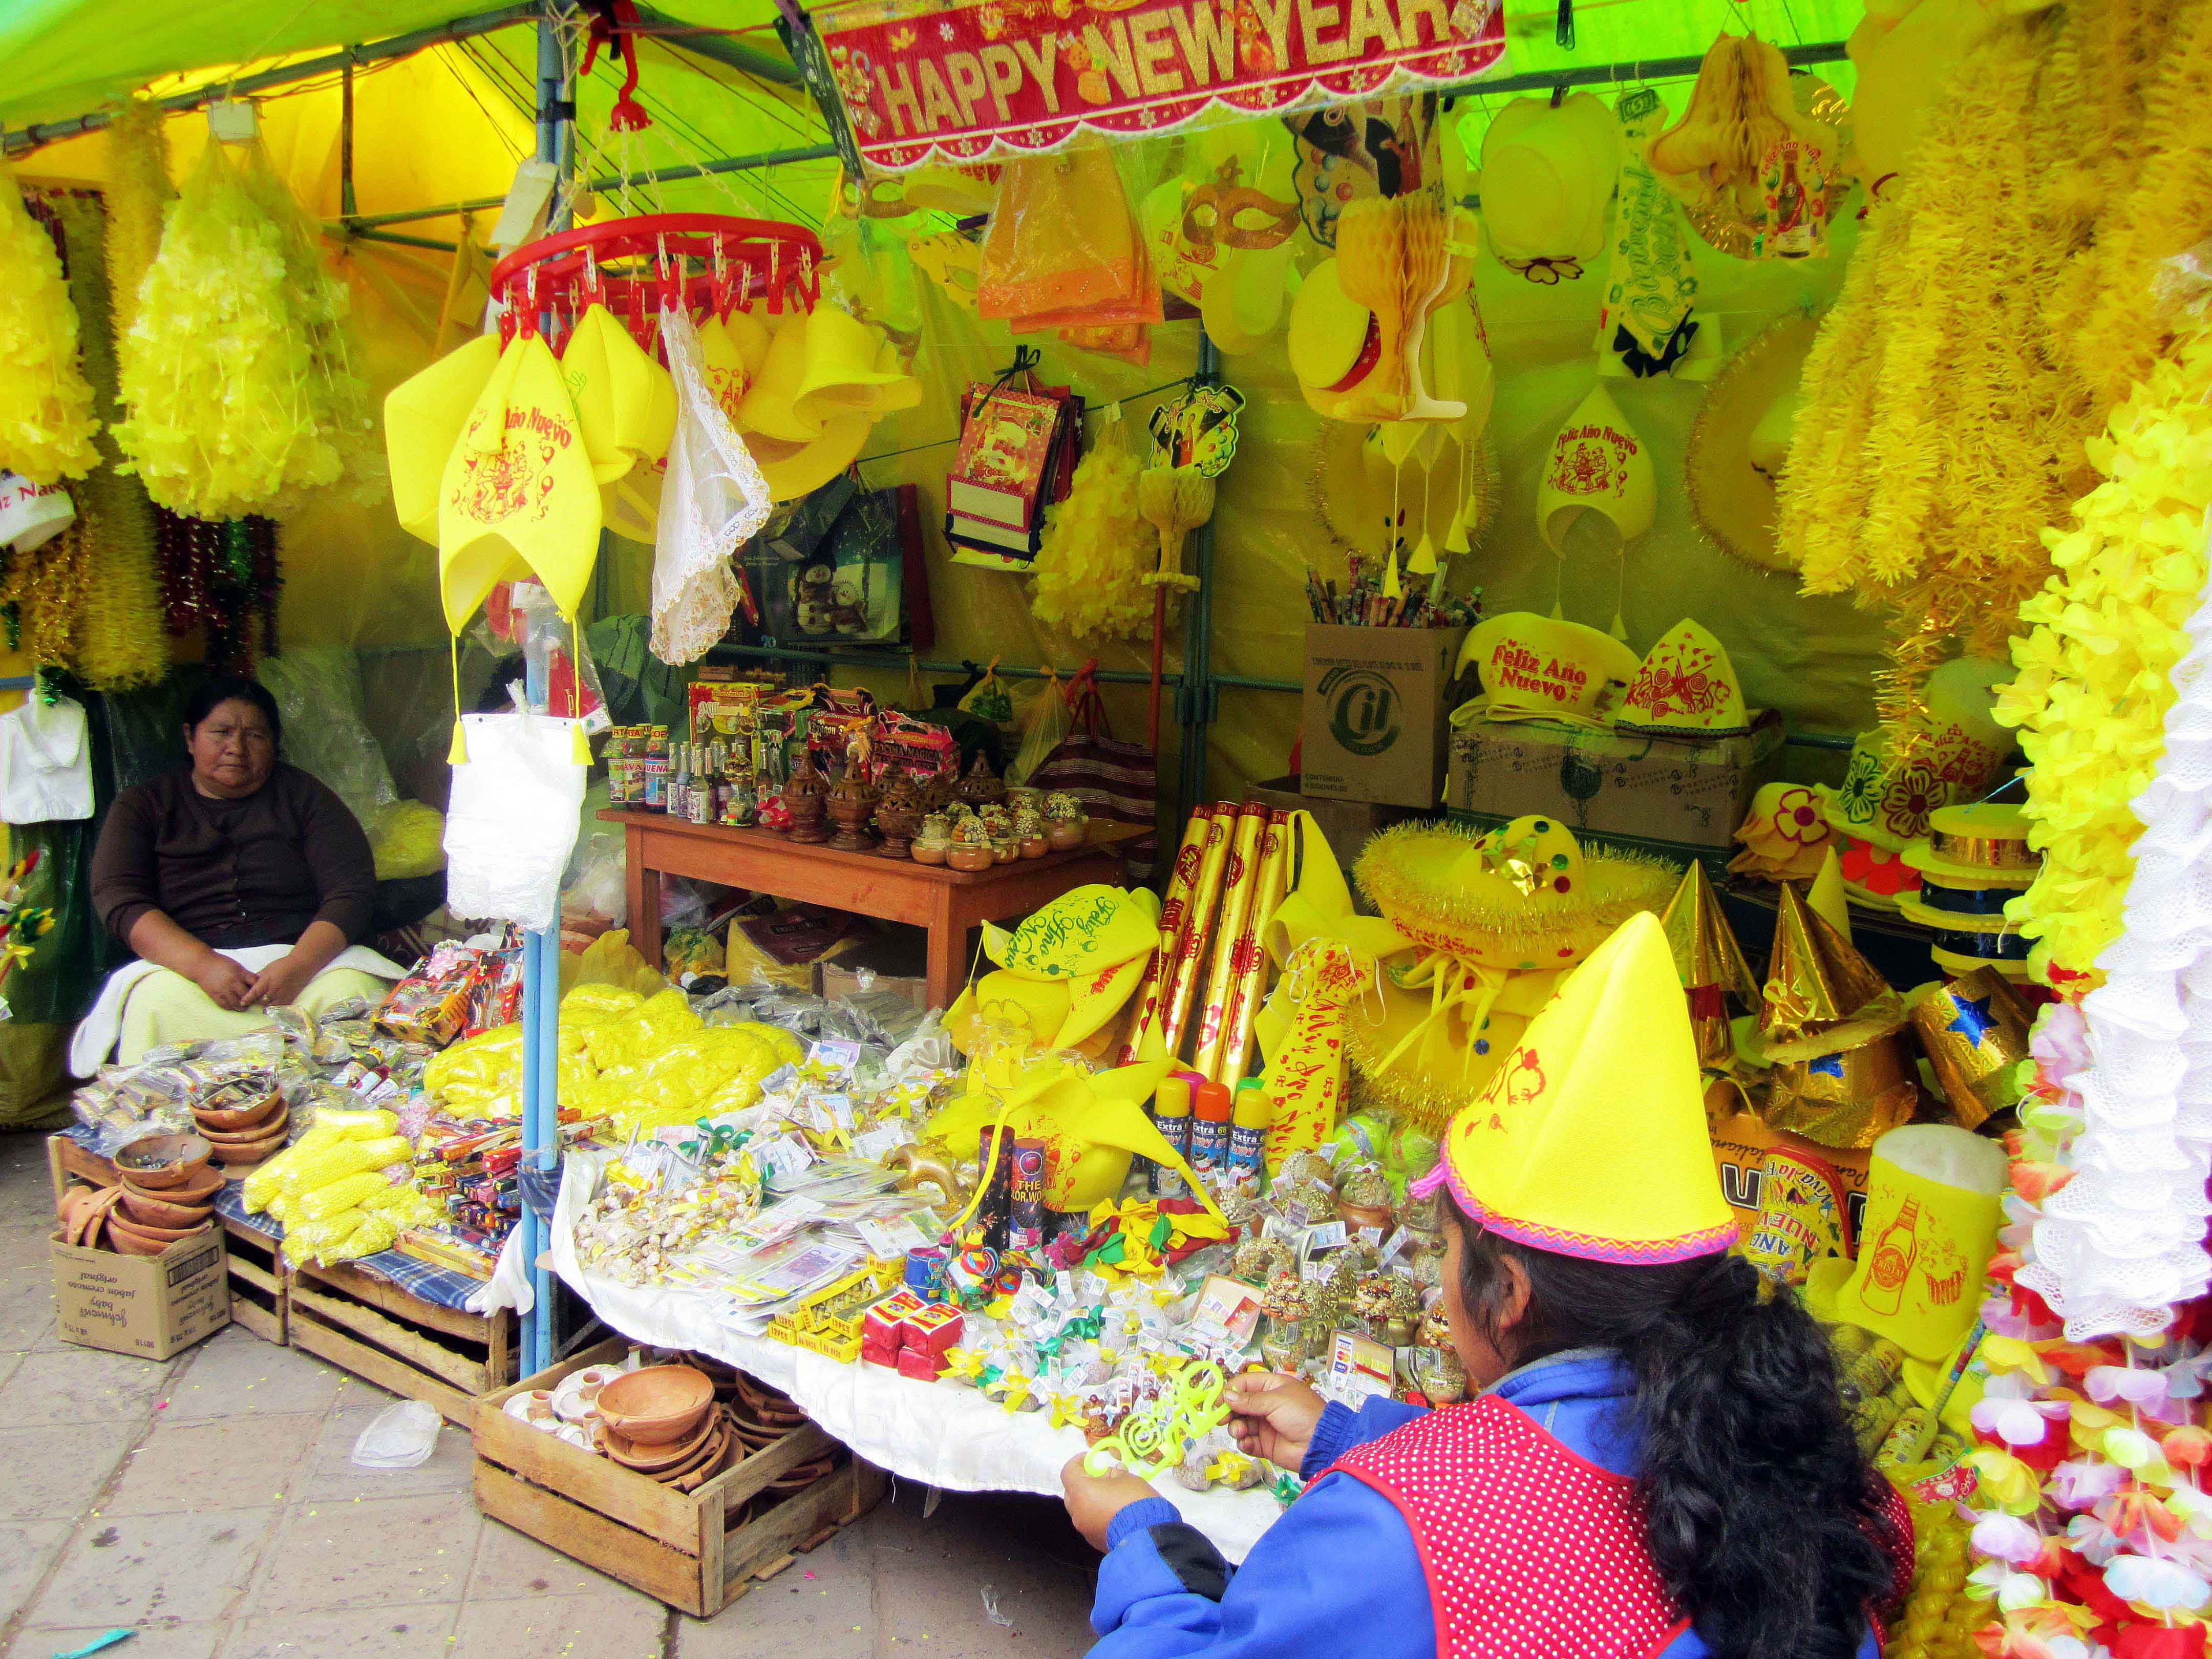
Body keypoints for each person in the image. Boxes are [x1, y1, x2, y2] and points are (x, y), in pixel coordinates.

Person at [1061, 911, 1909, 1659]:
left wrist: (1149, 1546)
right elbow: (1564, 1483)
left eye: (1443, 1248)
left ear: (1507, 1292)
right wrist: (1346, 1439)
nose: (1436, 1278)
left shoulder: (1403, 1526)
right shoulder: (1803, 1468)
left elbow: (1467, 1528)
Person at [83, 674, 399, 1066]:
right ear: (190, 738)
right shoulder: (142, 805)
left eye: (255, 736)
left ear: (274, 743)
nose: (236, 748)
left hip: (303, 966)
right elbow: (119, 897)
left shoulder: (307, 798)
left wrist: (298, 966)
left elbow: (351, 891)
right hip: (187, 973)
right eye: (221, 733)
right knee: (152, 1002)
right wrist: (203, 965)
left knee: (354, 990)